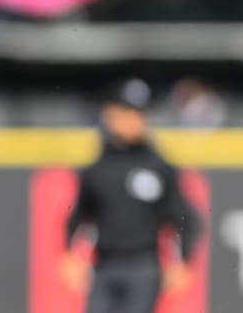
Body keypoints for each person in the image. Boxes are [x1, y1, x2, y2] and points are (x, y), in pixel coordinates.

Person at [62, 79, 203, 313]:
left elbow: (184, 217)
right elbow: (79, 213)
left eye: (140, 113)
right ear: (110, 114)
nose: (134, 120)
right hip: (104, 264)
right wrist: (68, 253)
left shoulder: (158, 167)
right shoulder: (97, 168)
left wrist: (184, 261)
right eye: (127, 111)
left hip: (143, 265)